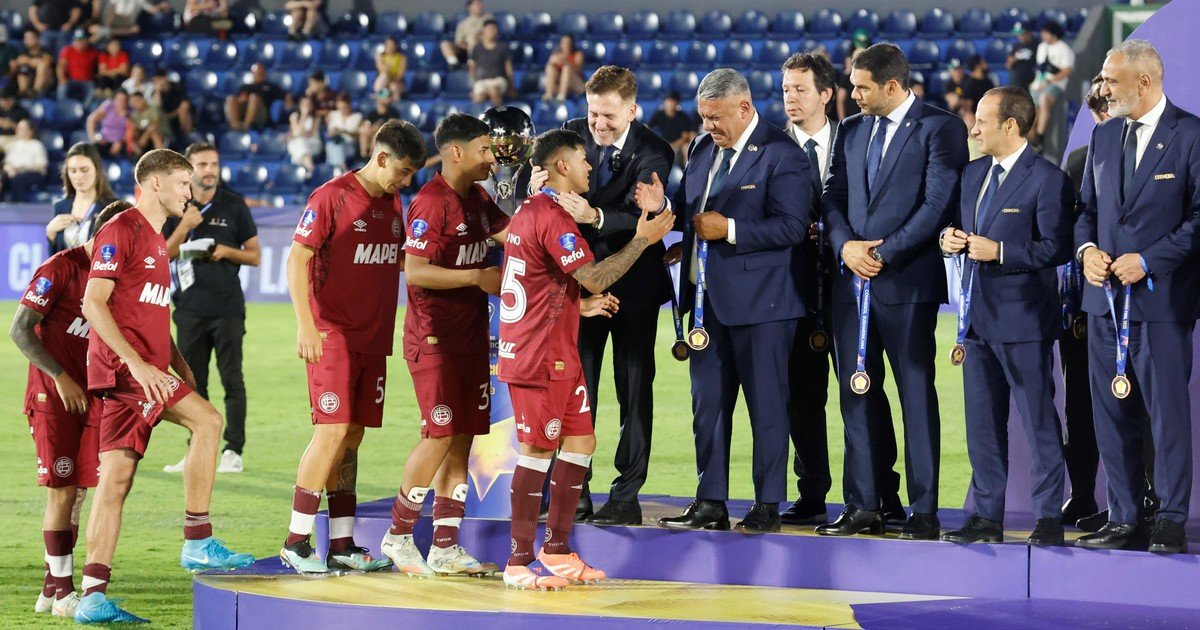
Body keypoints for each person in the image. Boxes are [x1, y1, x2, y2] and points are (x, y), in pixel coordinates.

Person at [77, 149, 254, 623]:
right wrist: (137, 365)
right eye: (182, 183)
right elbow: (93, 303)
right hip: (129, 373)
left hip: (147, 371)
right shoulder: (122, 229)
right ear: (155, 183)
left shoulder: (157, 240)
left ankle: (92, 595)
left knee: (115, 480)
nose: (189, 193)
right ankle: (197, 539)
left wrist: (179, 364)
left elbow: (151, 310)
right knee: (208, 422)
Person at [498, 128, 673, 588]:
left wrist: (576, 306)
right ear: (561, 166)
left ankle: (556, 549)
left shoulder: (533, 209)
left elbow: (539, 280)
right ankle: (518, 561)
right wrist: (642, 239)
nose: (590, 166)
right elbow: (593, 277)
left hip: (557, 348)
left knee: (581, 443)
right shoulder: (551, 216)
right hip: (538, 355)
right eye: (582, 159)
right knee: (537, 452)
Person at [644, 68, 809, 534]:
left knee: (767, 406)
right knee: (708, 408)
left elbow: (792, 227)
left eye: (716, 117)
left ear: (745, 107)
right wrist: (668, 214)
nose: (708, 126)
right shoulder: (700, 148)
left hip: (765, 306)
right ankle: (710, 501)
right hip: (705, 305)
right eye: (704, 117)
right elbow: (693, 211)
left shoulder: (783, 153)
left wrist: (729, 230)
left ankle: (767, 504)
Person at [817, 44, 968, 540]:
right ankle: (865, 504)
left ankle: (924, 510)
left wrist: (883, 254)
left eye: (862, 87)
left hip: (907, 284)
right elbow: (833, 196)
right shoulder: (850, 129)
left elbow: (937, 204)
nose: (853, 95)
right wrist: (845, 247)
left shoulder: (940, 127)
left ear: (892, 85)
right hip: (851, 283)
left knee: (915, 396)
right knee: (856, 392)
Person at [524, 66, 674, 525]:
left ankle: (626, 495)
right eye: (593, 113)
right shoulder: (569, 134)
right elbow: (542, 186)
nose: (598, 124)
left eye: (608, 115)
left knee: (634, 389)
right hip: (578, 285)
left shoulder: (655, 150)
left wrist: (594, 216)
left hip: (634, 287)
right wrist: (534, 186)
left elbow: (642, 214)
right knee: (575, 388)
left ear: (632, 110)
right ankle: (576, 491)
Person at [278, 120, 425, 575]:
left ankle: (341, 543)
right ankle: (296, 541)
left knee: (353, 435)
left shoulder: (392, 202)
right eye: (402, 171)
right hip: (332, 334)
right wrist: (305, 325)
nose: (406, 181)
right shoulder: (331, 197)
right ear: (380, 157)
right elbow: (297, 259)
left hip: (372, 337)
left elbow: (396, 259)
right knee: (332, 431)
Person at [1075, 40, 1200, 555]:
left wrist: (1148, 259)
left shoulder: (1192, 135)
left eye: (1110, 79)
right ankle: (1124, 516)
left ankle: (1169, 519)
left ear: (1144, 82)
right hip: (1104, 305)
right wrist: (1086, 250)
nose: (1102, 88)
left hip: (1162, 304)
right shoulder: (1103, 137)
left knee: (1167, 417)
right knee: (1110, 413)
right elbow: (1085, 211)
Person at [938, 86, 1072, 546]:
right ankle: (986, 516)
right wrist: (949, 239)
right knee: (982, 425)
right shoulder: (973, 173)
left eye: (982, 121)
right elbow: (956, 227)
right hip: (974, 320)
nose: (974, 129)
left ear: (1011, 125)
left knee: (1039, 422)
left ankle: (1049, 517)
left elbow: (1057, 247)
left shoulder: (1048, 179)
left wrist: (1001, 251)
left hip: (1025, 322)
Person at [379, 114, 512, 576]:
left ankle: (445, 546)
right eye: (484, 149)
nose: (491, 158)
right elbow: (415, 270)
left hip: (470, 337)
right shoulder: (431, 202)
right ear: (456, 152)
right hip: (434, 339)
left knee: (461, 439)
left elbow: (515, 235)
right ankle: (398, 534)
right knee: (438, 434)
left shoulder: (478, 198)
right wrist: (476, 277)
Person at [10, 199, 127, 620]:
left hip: (91, 397)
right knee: (61, 491)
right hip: (52, 399)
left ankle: (50, 587)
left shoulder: (115, 277)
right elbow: (19, 330)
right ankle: (63, 594)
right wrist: (60, 376)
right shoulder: (60, 267)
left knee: (77, 493)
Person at [161, 142, 260, 475]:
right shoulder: (176, 208)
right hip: (189, 310)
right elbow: (162, 255)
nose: (209, 171)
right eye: (202, 165)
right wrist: (184, 226)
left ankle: (233, 451)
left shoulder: (233, 205)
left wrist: (225, 251)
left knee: (232, 380)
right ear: (189, 170)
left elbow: (255, 255)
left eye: (214, 164)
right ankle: (195, 450)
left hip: (227, 308)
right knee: (192, 384)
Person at [1060, 75, 1105, 527]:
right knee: (1078, 403)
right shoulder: (1077, 161)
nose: (1103, 117)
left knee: (1133, 406)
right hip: (1079, 302)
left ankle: (1143, 500)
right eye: (1098, 111)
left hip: (1132, 298)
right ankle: (1082, 495)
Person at [47, 142, 119, 254]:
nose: (79, 176)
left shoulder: (113, 208)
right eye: (73, 171)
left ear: (97, 170)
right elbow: (55, 259)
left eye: (84, 170)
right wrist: (51, 235)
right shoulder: (61, 207)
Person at [1030, 22, 1074, 148]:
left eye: (1045, 33)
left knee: (1044, 99)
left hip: (1055, 84)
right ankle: (1032, 141)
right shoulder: (1041, 47)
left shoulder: (1064, 49)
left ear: (1053, 34)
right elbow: (1040, 68)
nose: (1043, 36)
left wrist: (1049, 81)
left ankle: (1040, 136)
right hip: (1038, 84)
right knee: (1032, 112)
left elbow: (1067, 70)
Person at [225, 63, 284, 132]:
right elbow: (238, 99)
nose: (258, 75)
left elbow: (283, 96)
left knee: (254, 97)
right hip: (244, 109)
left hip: (261, 113)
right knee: (230, 98)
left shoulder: (271, 87)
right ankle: (235, 126)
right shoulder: (245, 87)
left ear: (265, 73)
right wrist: (241, 100)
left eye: (260, 73)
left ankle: (246, 126)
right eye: (256, 73)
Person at [2, 119, 49, 201]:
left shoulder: (37, 145)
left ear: (30, 131)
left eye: (21, 128)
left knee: (19, 179)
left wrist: (20, 170)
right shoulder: (14, 144)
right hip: (13, 172)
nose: (17, 131)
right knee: (2, 176)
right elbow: (7, 162)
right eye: (18, 128)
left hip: (32, 174)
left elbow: (40, 166)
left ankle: (18, 204)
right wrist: (8, 168)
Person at [468, 19, 512, 107]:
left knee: (494, 91)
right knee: (478, 97)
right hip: (482, 81)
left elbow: (508, 68)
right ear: (483, 30)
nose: (493, 31)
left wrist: (511, 86)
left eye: (495, 29)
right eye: (490, 28)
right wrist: (473, 86)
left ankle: (498, 114)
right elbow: (472, 68)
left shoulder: (504, 47)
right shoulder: (477, 48)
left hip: (499, 80)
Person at [648, 91, 697, 166]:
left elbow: (685, 136)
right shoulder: (659, 114)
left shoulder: (683, 117)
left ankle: (687, 169)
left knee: (686, 147)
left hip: (679, 143)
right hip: (664, 143)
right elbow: (648, 127)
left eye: (673, 101)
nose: (670, 104)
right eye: (668, 101)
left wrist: (674, 145)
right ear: (664, 102)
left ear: (677, 103)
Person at [441, 0, 490, 69]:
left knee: (472, 38)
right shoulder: (463, 23)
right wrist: (465, 44)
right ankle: (454, 64)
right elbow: (458, 41)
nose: (480, 6)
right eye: (477, 4)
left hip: (482, 46)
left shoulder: (488, 18)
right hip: (465, 47)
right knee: (445, 44)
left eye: (480, 4)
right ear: (470, 7)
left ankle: (472, 63)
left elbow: (489, 34)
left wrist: (475, 37)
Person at [90, 0, 172, 40]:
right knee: (111, 9)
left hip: (127, 24)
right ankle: (107, 30)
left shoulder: (139, 1)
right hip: (114, 22)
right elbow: (110, 12)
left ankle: (107, 31)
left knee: (135, 29)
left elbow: (152, 10)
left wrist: (161, 6)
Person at [56, 30, 98, 104]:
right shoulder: (67, 50)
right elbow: (60, 66)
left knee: (92, 88)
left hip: (87, 81)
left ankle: (84, 108)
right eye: (77, 40)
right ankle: (61, 106)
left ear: (86, 41)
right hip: (71, 80)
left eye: (82, 40)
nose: (80, 43)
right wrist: (62, 79)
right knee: (62, 87)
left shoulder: (93, 52)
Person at [85, 89, 130, 158]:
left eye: (124, 100)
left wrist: (120, 142)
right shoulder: (109, 106)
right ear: (114, 99)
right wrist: (93, 137)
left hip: (121, 144)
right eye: (118, 99)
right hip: (104, 141)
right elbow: (91, 119)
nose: (121, 102)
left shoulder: (130, 112)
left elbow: (131, 132)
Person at [151, 68, 193, 137]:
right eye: (155, 81)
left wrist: (178, 112)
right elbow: (157, 106)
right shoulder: (155, 93)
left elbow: (185, 103)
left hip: (179, 114)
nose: (158, 83)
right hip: (165, 116)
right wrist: (158, 91)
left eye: (159, 80)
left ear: (165, 78)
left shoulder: (177, 87)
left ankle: (187, 135)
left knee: (185, 110)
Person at [359, 88, 399, 160]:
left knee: (377, 133)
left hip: (384, 138)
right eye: (386, 97)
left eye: (389, 97)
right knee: (364, 130)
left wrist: (378, 127)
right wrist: (371, 128)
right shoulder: (372, 113)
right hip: (370, 136)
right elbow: (367, 124)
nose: (389, 99)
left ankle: (372, 155)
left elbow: (392, 125)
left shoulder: (393, 112)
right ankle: (363, 155)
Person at [13, 30, 55, 98]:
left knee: (42, 66)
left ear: (37, 39)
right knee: (23, 67)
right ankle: (23, 91)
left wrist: (28, 61)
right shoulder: (23, 52)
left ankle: (35, 92)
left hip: (46, 81)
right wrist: (35, 62)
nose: (26, 41)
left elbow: (46, 62)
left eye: (30, 38)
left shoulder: (45, 51)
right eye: (25, 38)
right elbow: (19, 61)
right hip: (30, 79)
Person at [325, 92, 361, 170]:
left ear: (349, 105)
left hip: (349, 146)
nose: (343, 110)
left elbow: (358, 137)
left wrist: (343, 131)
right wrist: (333, 133)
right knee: (333, 144)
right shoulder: (333, 115)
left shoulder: (357, 116)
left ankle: (339, 168)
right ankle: (341, 167)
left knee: (337, 146)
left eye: (345, 107)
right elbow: (328, 135)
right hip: (334, 144)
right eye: (341, 107)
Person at [543, 34, 584, 102]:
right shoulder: (556, 55)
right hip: (558, 85)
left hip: (575, 84)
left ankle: (562, 95)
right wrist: (553, 61)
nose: (566, 45)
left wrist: (566, 62)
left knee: (567, 69)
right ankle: (549, 94)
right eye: (564, 43)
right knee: (550, 68)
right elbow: (548, 69)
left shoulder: (577, 54)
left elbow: (578, 70)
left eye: (568, 43)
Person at [126, 91, 166, 158]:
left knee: (153, 133)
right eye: (133, 102)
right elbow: (135, 129)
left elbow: (155, 124)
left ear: (142, 99)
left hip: (161, 133)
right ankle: (139, 159)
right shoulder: (135, 115)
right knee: (133, 136)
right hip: (145, 140)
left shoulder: (153, 108)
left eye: (136, 101)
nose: (135, 104)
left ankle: (161, 157)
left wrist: (145, 137)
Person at [286, 95, 322, 171]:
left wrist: (299, 133)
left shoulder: (316, 118)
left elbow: (309, 134)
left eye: (308, 104)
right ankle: (310, 168)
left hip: (312, 143)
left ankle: (305, 170)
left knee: (299, 144)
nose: (306, 106)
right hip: (296, 142)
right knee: (299, 143)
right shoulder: (294, 116)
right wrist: (303, 115)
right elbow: (297, 132)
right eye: (304, 104)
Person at [1007, 25, 1037, 90]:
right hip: (1017, 76)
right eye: (1018, 34)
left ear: (1029, 33)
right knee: (1014, 75)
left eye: (1022, 34)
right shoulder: (1016, 46)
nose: (1019, 36)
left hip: (1031, 74)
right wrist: (1011, 61)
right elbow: (1008, 66)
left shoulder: (1037, 45)